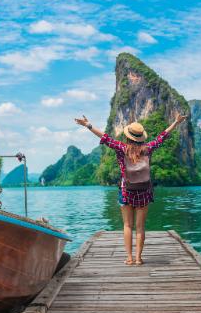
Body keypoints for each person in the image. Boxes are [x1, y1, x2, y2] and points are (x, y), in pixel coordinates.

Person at [74, 113, 188, 265]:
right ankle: (139, 258)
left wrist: (88, 125)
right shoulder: (148, 148)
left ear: (128, 136)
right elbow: (162, 137)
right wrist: (175, 122)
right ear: (141, 137)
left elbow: (105, 137)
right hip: (144, 192)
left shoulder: (122, 148)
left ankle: (129, 258)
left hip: (126, 191)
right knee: (140, 227)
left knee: (127, 225)